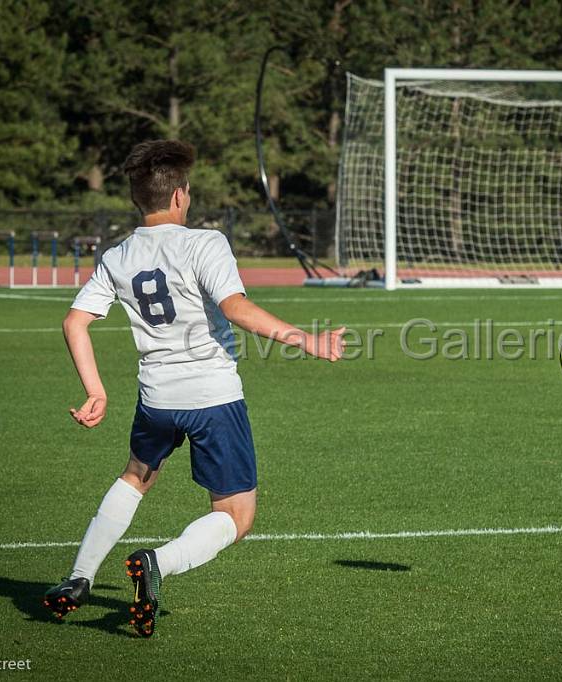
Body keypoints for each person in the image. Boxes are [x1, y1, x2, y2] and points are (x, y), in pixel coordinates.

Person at [43, 140, 345, 637]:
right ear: (181, 195)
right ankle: (157, 563)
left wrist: (96, 390)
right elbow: (236, 309)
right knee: (236, 514)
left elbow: (74, 322)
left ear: (139, 199)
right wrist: (307, 340)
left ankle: (77, 578)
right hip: (211, 397)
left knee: (136, 476)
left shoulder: (117, 255)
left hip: (156, 398)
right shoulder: (206, 243)